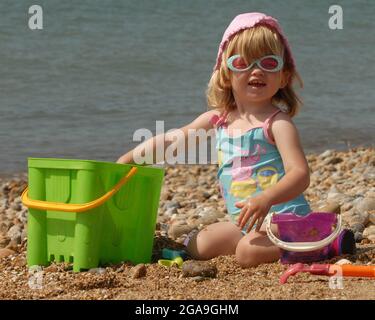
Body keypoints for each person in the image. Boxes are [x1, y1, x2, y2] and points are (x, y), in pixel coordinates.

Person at [117, 12, 355, 267]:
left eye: (269, 63)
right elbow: (174, 140)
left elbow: (300, 174)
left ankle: (326, 241)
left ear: (284, 76)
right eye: (243, 63)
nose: (257, 70)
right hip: (244, 222)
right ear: (226, 74)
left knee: (246, 255)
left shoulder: (277, 123)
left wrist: (266, 199)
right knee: (199, 244)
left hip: (285, 220)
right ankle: (296, 239)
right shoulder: (218, 119)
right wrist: (133, 158)